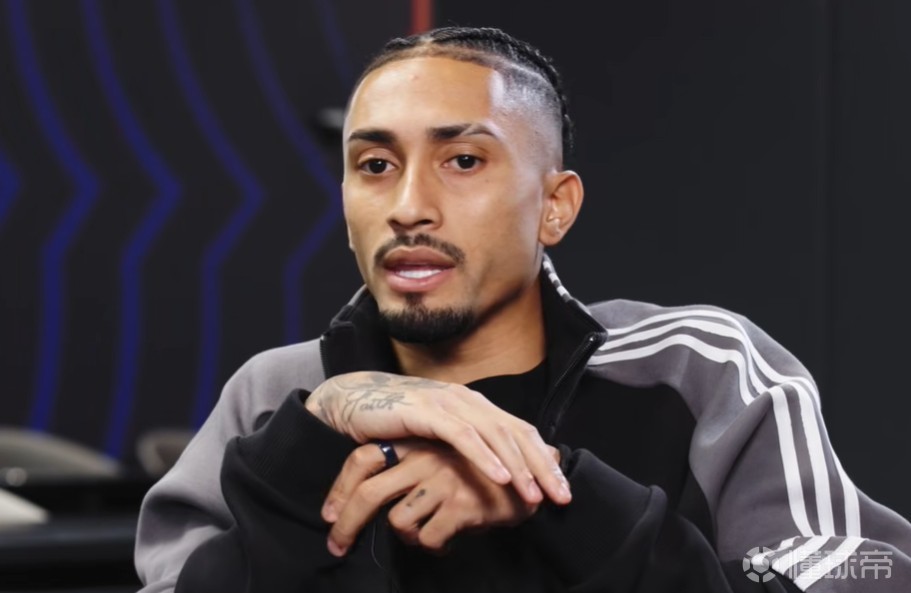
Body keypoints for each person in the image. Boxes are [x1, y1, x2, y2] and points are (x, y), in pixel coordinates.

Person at [134, 26, 911, 593]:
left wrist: (553, 493)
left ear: (554, 206)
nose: (408, 205)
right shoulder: (276, 394)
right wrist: (316, 434)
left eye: (462, 159)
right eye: (374, 164)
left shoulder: (703, 367)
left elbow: (868, 578)